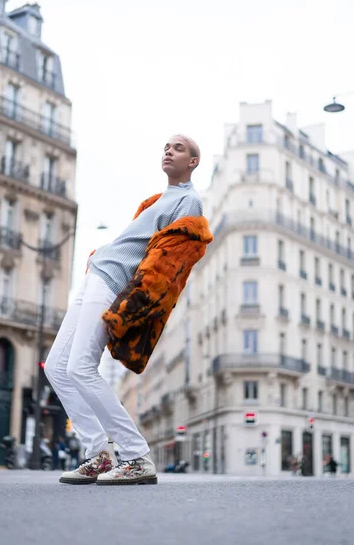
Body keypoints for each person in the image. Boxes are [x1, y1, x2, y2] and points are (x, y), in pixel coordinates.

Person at [44, 135, 213, 485]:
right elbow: (137, 242)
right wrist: (102, 252)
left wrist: (135, 305)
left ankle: (135, 455)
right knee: (57, 368)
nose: (169, 151)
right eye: (167, 146)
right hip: (98, 273)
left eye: (179, 148)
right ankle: (98, 454)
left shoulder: (189, 201)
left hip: (114, 281)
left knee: (81, 367)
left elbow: (169, 263)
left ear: (193, 162)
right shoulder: (160, 200)